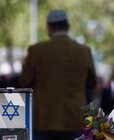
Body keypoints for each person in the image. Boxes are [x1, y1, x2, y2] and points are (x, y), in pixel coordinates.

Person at [19, 9, 97, 140]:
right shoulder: (84, 51)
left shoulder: (36, 50)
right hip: (75, 119)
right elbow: (92, 83)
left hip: (44, 120)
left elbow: (24, 82)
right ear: (68, 26)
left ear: (49, 28)